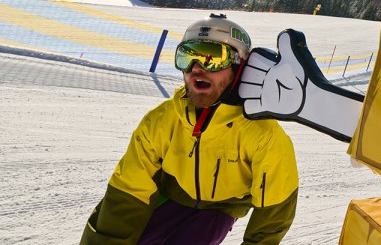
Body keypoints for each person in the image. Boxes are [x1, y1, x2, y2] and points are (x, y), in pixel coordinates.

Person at [81, 14, 299, 245]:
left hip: (219, 208)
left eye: (212, 58)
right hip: (169, 195)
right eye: (187, 57)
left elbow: (275, 210)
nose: (196, 69)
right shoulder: (161, 121)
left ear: (239, 66)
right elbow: (129, 189)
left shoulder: (264, 135)